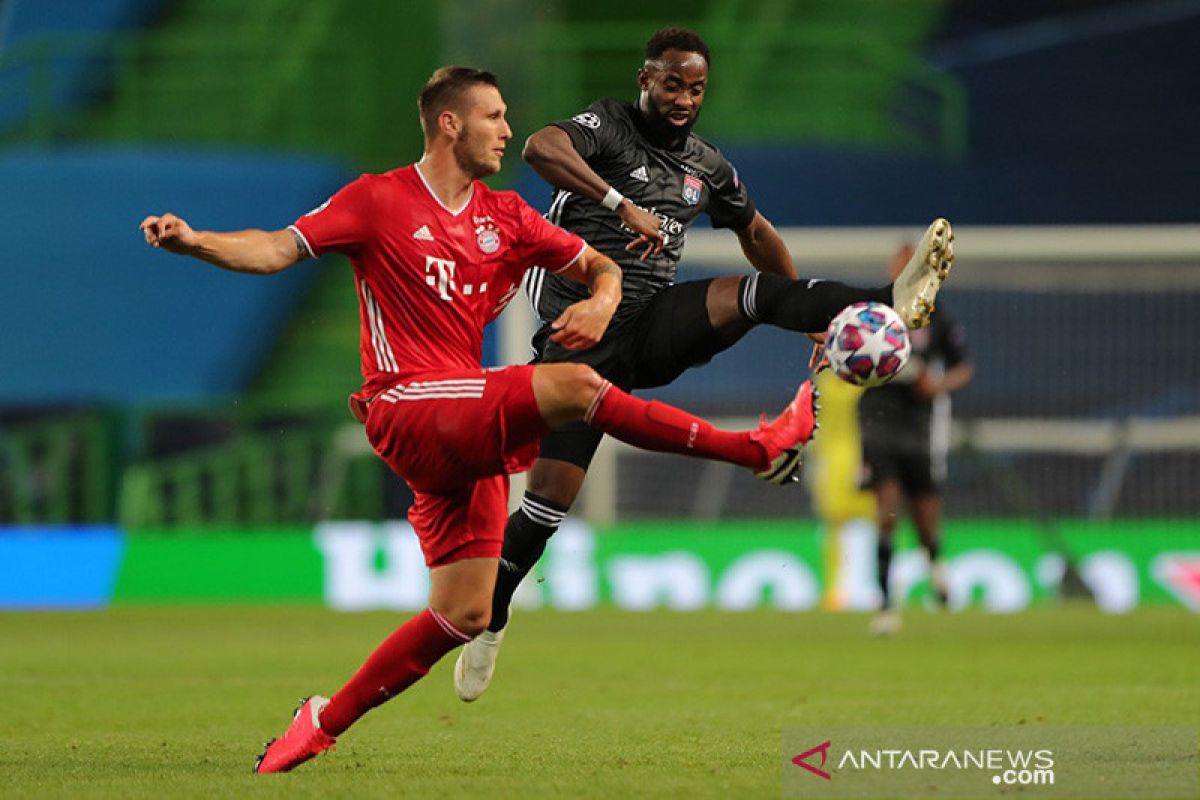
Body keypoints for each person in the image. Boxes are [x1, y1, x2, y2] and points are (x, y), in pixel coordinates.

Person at [140, 66, 820, 774]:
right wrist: (196, 241)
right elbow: (277, 247)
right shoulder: (375, 200)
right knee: (576, 385)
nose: (507, 129)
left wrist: (604, 298)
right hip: (405, 404)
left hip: (461, 427)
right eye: (494, 116)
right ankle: (754, 449)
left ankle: (320, 721)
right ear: (450, 124)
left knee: (465, 612)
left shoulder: (508, 217)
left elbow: (599, 265)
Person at [454, 26, 955, 701]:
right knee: (547, 505)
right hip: (580, 338)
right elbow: (543, 147)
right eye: (673, 83)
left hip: (656, 327)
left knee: (751, 294)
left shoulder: (707, 167)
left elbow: (756, 233)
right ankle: (493, 619)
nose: (685, 97)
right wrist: (618, 204)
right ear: (646, 78)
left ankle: (886, 299)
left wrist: (813, 316)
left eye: (696, 88)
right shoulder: (607, 125)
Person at [862, 244, 973, 636]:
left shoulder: (937, 316)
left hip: (918, 423)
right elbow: (846, 346)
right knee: (887, 507)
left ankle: (936, 567)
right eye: (900, 262)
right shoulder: (877, 309)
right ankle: (886, 605)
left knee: (925, 516)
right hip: (877, 419)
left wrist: (939, 385)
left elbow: (964, 368)